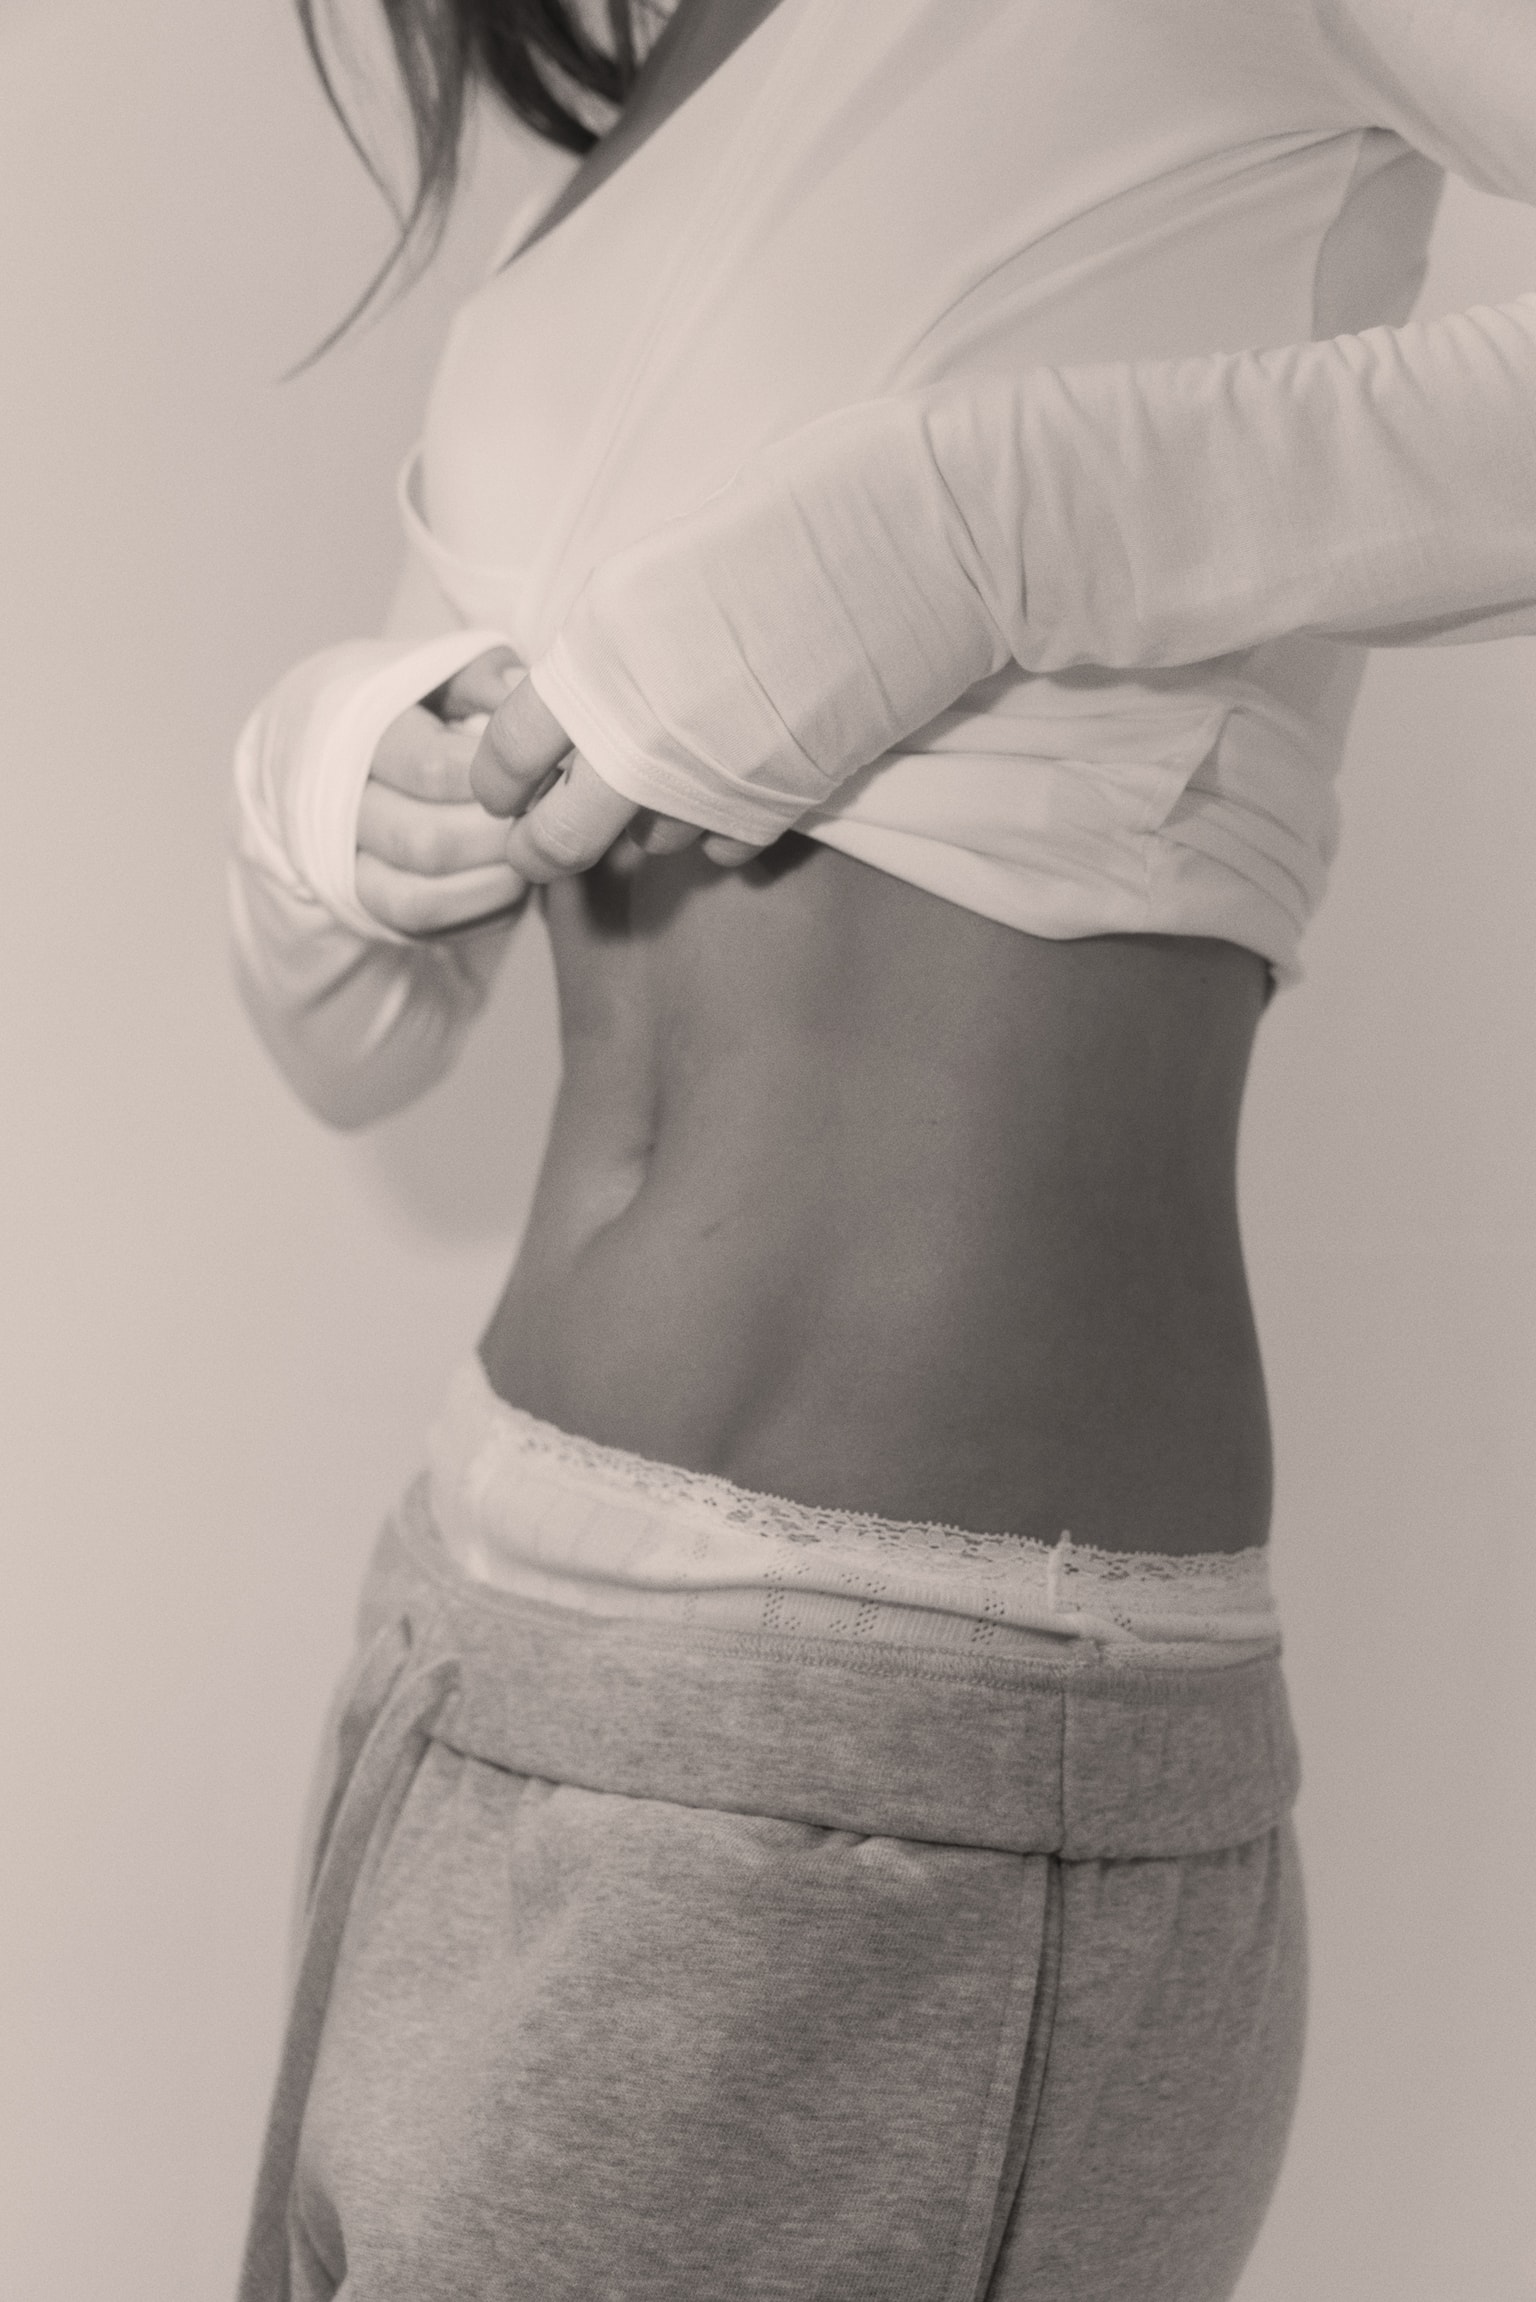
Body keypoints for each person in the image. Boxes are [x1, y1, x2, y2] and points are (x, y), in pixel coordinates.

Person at [229, 2, 1536, 2295]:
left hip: (883, 1757)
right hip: (462, 1635)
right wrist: (327, 786)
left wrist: (968, 526)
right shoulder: (615, 160)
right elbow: (370, 1047)